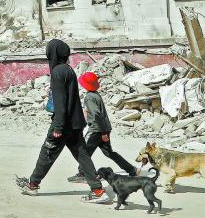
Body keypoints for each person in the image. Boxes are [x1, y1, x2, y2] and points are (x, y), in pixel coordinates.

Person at [15, 39, 109, 203]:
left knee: (47, 153)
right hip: (75, 123)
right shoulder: (68, 70)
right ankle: (99, 191)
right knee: (83, 156)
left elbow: (61, 101)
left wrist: (58, 126)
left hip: (63, 124)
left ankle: (32, 185)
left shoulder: (57, 72)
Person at [67, 71, 138, 183]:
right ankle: (131, 169)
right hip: (103, 128)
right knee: (109, 153)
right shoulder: (95, 94)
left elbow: (96, 114)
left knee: (84, 152)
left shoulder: (89, 97)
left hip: (97, 130)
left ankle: (83, 173)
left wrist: (103, 132)